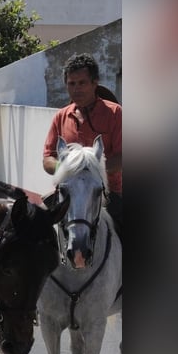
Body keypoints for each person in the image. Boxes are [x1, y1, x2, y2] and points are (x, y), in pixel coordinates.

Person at [43, 53, 122, 239]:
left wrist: (91, 169)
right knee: (34, 232)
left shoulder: (115, 113)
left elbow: (122, 157)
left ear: (95, 83)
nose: (76, 89)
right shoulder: (61, 116)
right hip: (67, 195)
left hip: (108, 195)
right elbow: (47, 159)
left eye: (82, 83)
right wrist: (68, 169)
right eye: (71, 83)